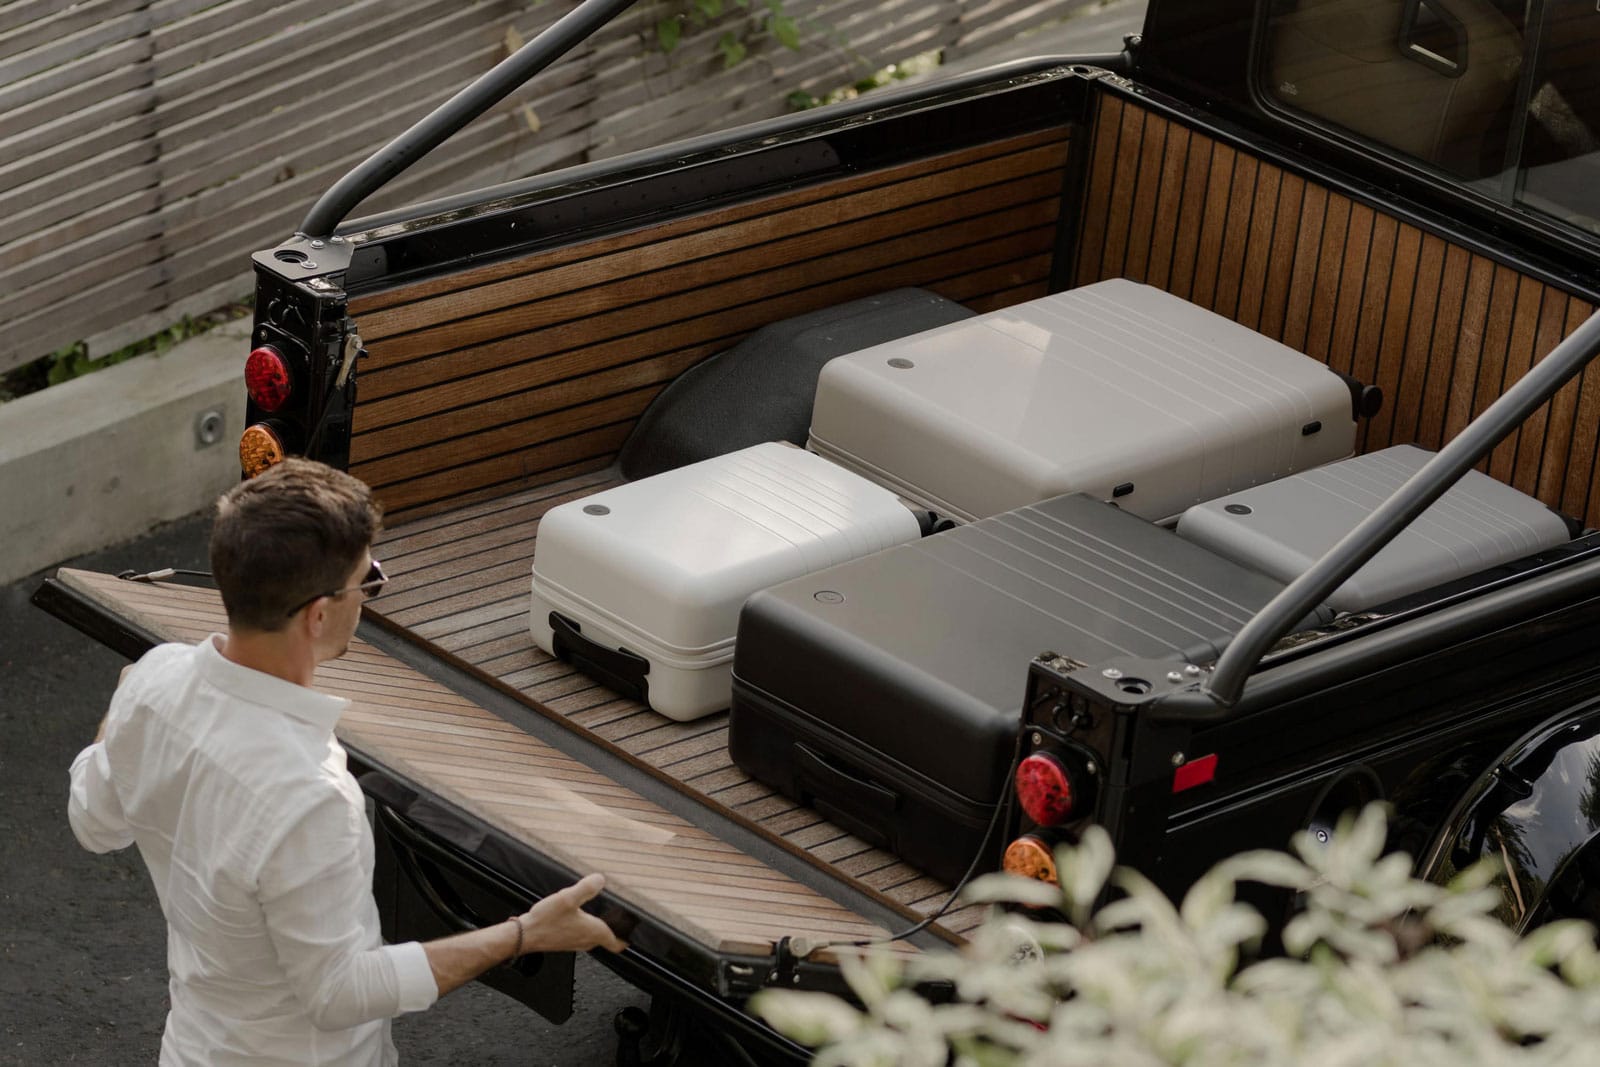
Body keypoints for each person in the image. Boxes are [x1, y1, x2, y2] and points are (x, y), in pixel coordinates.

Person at [67, 458, 627, 1065]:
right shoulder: (311, 796)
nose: (369, 596)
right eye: (367, 582)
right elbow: (337, 994)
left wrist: (119, 715)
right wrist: (525, 934)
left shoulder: (154, 682)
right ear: (318, 614)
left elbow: (94, 823)